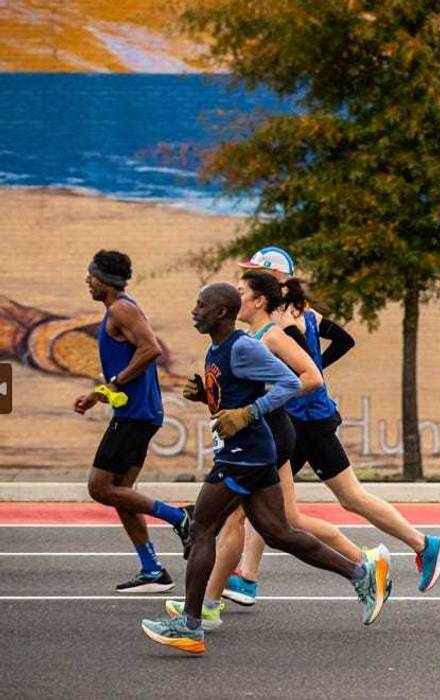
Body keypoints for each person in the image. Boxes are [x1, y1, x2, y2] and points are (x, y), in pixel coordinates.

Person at [140, 283, 389, 655]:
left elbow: (292, 382)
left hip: (246, 453)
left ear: (221, 312)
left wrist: (248, 414)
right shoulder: (218, 347)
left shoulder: (244, 346)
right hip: (249, 452)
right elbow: (239, 391)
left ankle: (191, 626)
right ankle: (360, 574)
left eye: (201, 305)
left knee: (202, 528)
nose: (194, 310)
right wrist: (206, 395)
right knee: (278, 532)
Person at [221, 249, 440, 606]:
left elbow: (300, 370)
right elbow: (343, 341)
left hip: (305, 420)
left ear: (272, 280)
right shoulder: (304, 309)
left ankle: (415, 546)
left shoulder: (281, 319)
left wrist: (302, 377)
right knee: (264, 502)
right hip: (299, 417)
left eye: (252, 275)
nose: (244, 285)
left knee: (340, 499)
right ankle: (247, 578)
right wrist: (315, 370)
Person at [75, 250, 191, 593]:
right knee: (121, 494)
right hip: (136, 413)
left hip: (135, 416)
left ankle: (181, 518)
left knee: (100, 488)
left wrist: (114, 385)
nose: (87, 281)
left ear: (105, 282)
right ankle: (152, 569)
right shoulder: (118, 310)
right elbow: (126, 362)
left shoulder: (121, 309)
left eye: (91, 276)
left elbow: (150, 349)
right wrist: (99, 394)